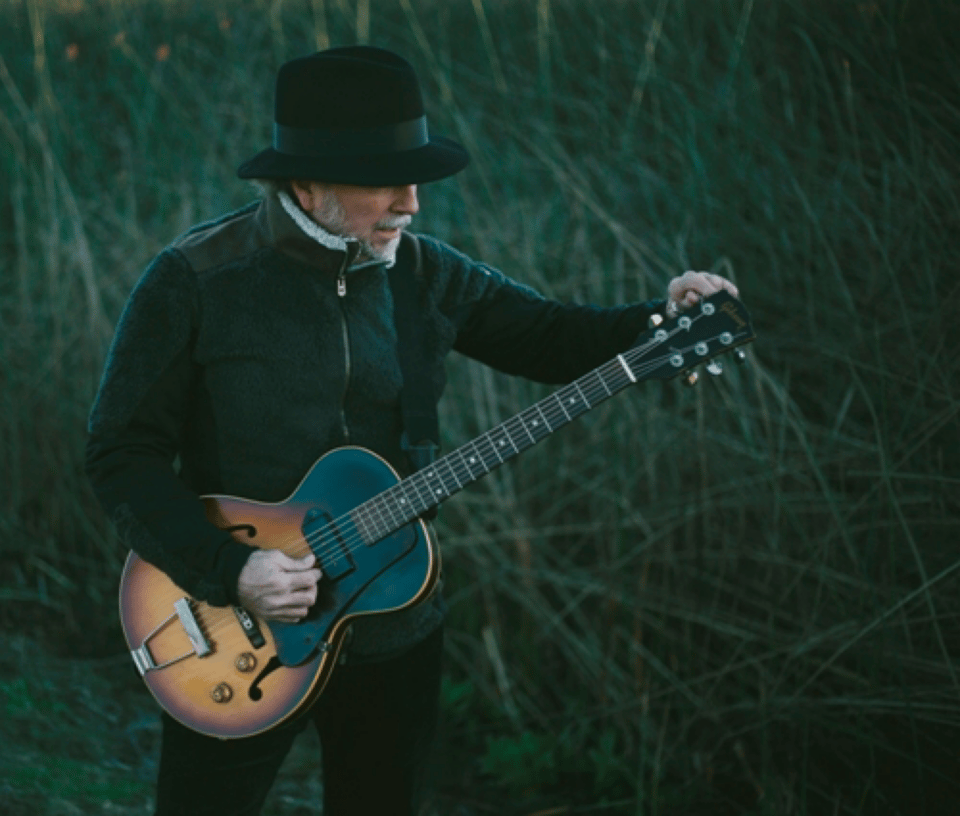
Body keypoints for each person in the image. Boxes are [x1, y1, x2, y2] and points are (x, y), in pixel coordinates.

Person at [85, 45, 739, 816]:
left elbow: (552, 337)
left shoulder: (426, 273)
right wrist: (232, 570)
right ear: (306, 185)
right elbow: (120, 453)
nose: (411, 204)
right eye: (385, 183)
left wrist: (660, 320)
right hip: (233, 628)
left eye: (416, 180)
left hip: (395, 625)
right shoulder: (196, 279)